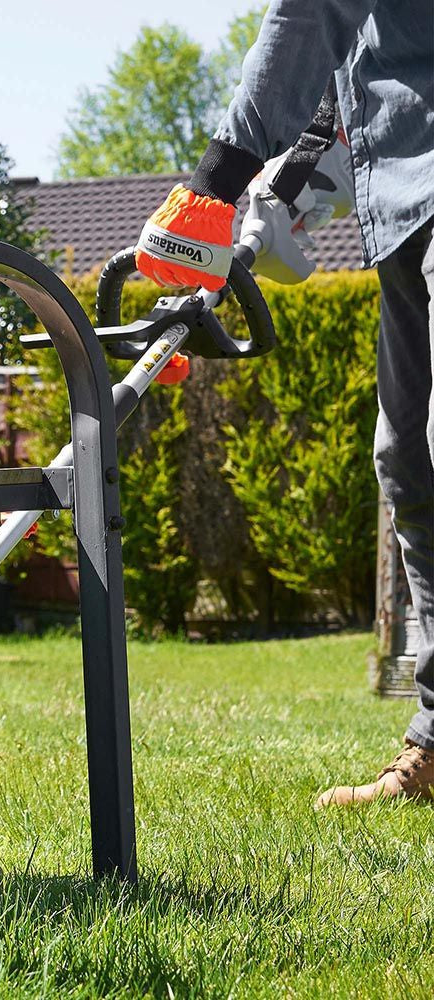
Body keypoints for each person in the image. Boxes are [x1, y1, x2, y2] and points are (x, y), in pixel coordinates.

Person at [135, 0, 434, 805]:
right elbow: (365, 77)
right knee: (411, 462)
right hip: (411, 212)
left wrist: (216, 179)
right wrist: (282, 190)